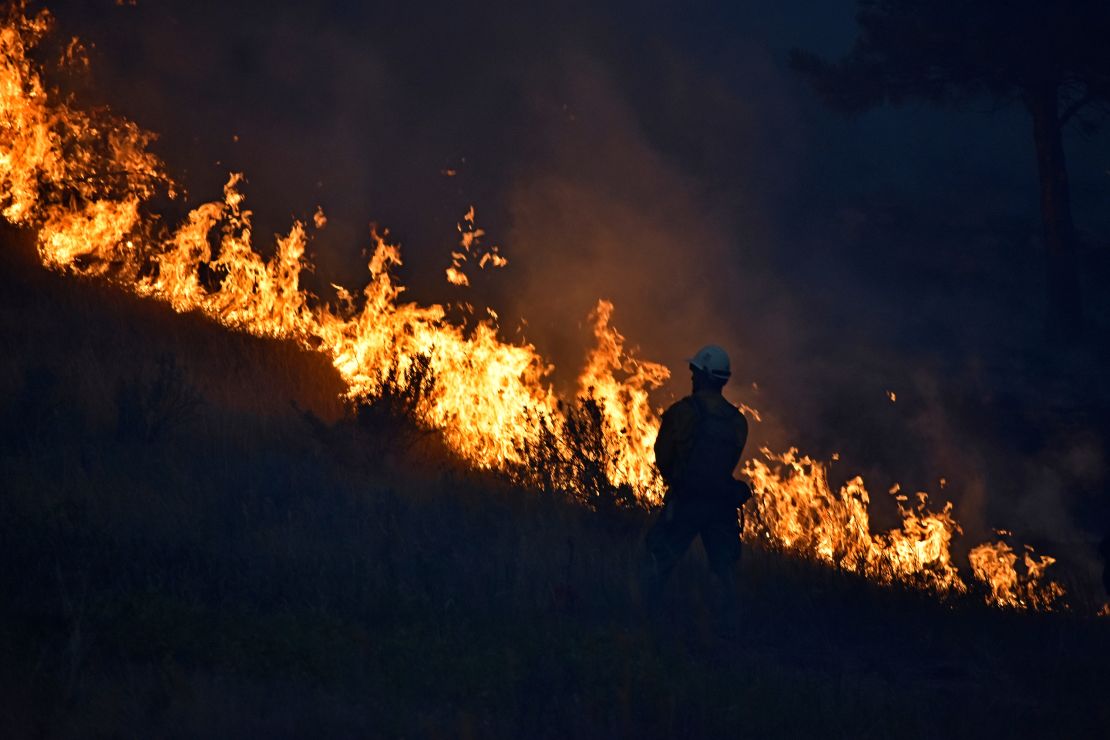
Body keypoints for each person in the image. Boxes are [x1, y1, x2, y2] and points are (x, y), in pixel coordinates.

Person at [643, 344, 750, 620]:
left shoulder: (683, 412)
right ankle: (727, 625)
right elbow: (730, 461)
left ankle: (645, 617)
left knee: (659, 556)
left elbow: (663, 455)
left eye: (695, 372)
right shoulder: (738, 421)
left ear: (703, 377)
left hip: (688, 500)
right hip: (721, 505)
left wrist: (678, 480)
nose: (691, 377)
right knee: (723, 569)